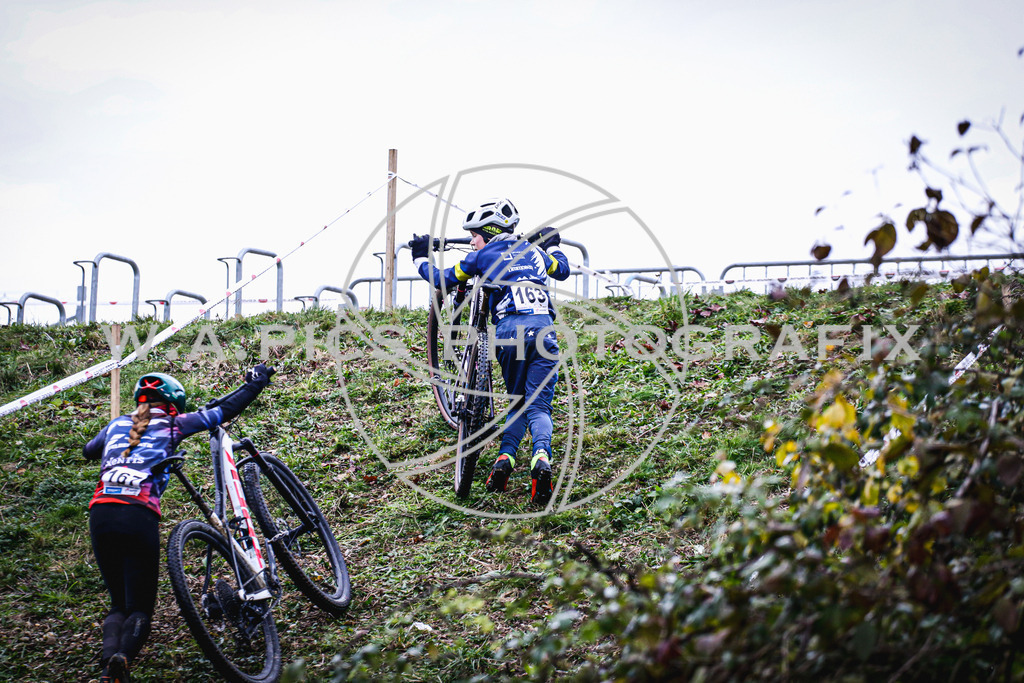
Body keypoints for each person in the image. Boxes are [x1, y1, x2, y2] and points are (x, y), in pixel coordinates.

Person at [83, 364, 275, 683]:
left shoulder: (118, 425)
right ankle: (122, 658)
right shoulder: (173, 424)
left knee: (118, 604)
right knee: (140, 607)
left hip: (101, 514)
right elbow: (222, 411)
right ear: (172, 404)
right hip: (138, 514)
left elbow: (89, 451)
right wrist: (257, 383)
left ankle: (108, 671)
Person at [411, 198, 571, 505]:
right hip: (543, 332)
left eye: (475, 235)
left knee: (517, 402)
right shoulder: (535, 252)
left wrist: (419, 257)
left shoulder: (484, 256)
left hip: (510, 334)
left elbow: (441, 279)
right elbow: (561, 270)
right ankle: (541, 456)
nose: (472, 241)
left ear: (489, 232)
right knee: (537, 407)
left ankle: (505, 459)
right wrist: (552, 245)